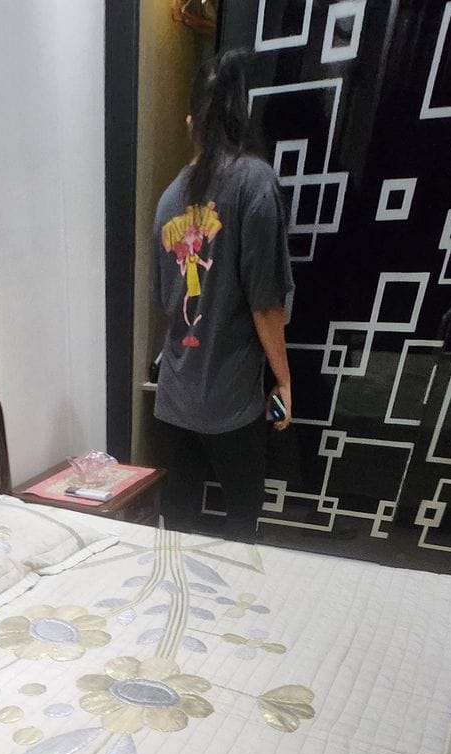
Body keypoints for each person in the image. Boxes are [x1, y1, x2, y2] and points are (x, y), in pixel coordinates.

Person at [152, 48, 294, 541]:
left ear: (191, 122)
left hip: (174, 398)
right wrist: (284, 380)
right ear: (241, 118)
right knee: (241, 519)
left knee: (179, 525)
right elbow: (266, 301)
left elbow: (165, 299)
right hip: (232, 400)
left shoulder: (168, 201)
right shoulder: (255, 182)